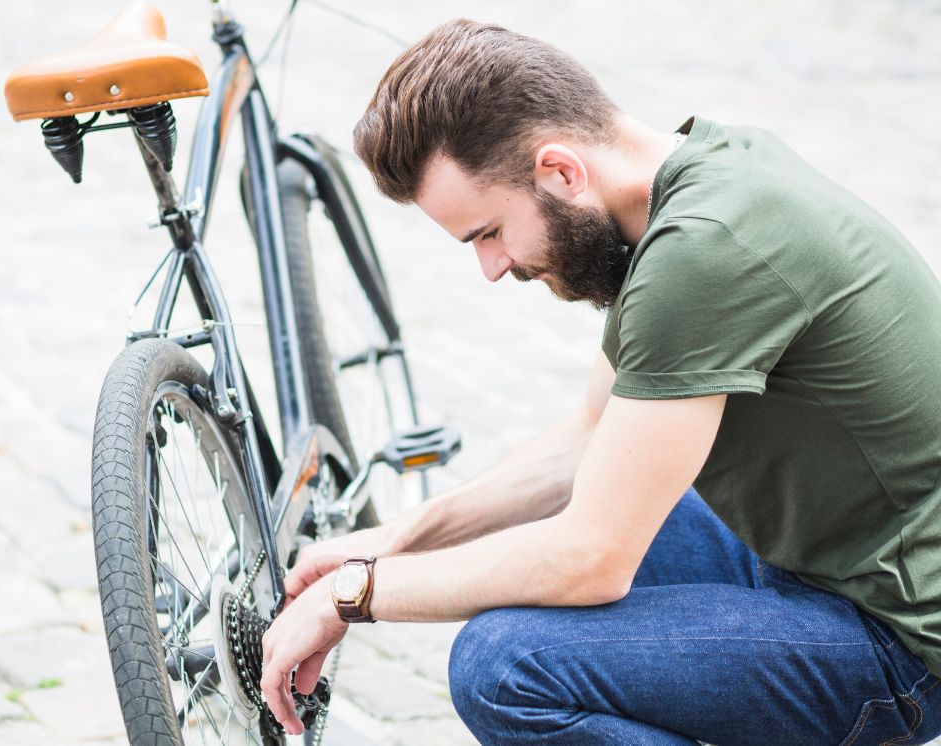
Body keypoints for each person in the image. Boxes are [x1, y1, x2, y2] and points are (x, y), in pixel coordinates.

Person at [259, 18, 941, 745]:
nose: (492, 268)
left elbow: (592, 561)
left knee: (505, 667)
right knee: (556, 529)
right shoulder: (701, 172)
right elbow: (590, 436)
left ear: (560, 171)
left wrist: (354, 597)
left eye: (488, 232)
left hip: (901, 635)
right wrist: (391, 542)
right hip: (819, 552)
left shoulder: (704, 253)